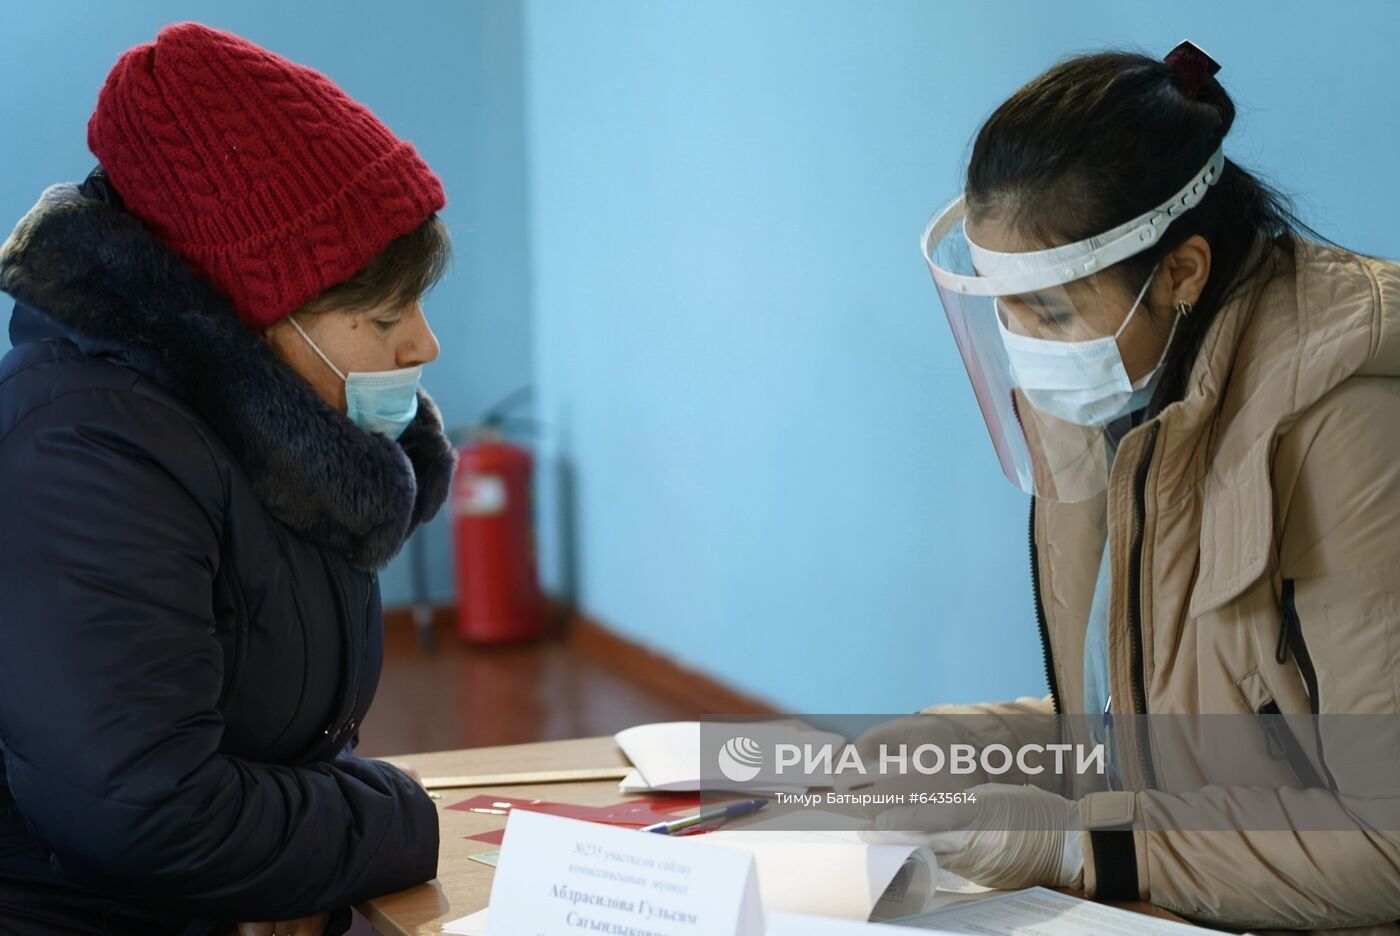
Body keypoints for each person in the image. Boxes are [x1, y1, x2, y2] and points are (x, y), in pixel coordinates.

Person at [886, 40, 1400, 933]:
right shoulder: (1124, 384)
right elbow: (1176, 722)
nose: (1024, 346)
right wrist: (956, 745)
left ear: (1181, 273)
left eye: (1046, 309)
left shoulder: (1351, 419)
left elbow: (1386, 839)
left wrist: (1086, 849)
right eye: (1000, 307)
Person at [0, 23, 457, 935]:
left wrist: (292, 878)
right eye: (384, 312)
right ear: (259, 306)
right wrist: (400, 817)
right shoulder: (85, 447)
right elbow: (148, 814)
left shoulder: (273, 429)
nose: (424, 345)